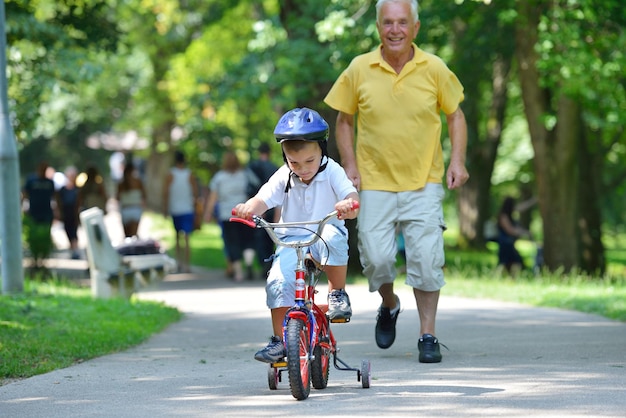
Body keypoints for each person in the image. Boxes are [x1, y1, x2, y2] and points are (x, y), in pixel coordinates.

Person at [324, 0, 469, 363]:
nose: (395, 30)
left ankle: (428, 335)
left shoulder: (434, 68)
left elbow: (455, 116)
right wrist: (350, 164)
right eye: (387, 22)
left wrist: (457, 161)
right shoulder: (359, 68)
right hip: (374, 182)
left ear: (415, 28)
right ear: (377, 27)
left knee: (426, 259)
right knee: (376, 259)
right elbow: (344, 120)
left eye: (402, 22)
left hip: (424, 181)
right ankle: (389, 303)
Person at [232, 107, 360, 363]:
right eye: (294, 163)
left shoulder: (332, 170)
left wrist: (348, 205)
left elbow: (351, 195)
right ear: (285, 157)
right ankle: (280, 340)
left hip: (325, 230)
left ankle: (337, 293)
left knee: (335, 238)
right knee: (278, 281)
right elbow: (263, 198)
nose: (302, 169)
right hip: (291, 238)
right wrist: (249, 208)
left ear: (322, 150)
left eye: (309, 161)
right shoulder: (284, 175)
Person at [204, 151, 255, 282]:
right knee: (247, 240)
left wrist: (208, 213)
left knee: (233, 243)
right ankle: (249, 263)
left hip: (227, 215)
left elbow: (213, 197)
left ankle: (239, 273)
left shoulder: (219, 177)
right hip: (244, 212)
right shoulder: (245, 174)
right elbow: (254, 189)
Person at [247, 142, 280, 278]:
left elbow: (250, 187)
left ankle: (260, 263)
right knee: (269, 237)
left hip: (257, 206)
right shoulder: (275, 169)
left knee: (257, 238)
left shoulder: (252, 167)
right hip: (272, 207)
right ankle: (268, 263)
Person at [163, 150, 199, 274]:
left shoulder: (170, 174)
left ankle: (179, 263)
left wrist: (165, 209)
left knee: (177, 237)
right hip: (187, 208)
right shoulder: (189, 174)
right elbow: (195, 193)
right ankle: (187, 265)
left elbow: (166, 193)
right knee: (187, 238)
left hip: (175, 209)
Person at [22, 161, 56, 268]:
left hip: (46, 212)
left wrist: (58, 210)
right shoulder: (31, 180)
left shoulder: (50, 182)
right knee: (33, 234)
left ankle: (44, 257)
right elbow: (25, 193)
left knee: (45, 234)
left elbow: (55, 197)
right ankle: (35, 258)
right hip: (33, 211)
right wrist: (23, 206)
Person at [496, 196, 532, 275]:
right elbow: (510, 230)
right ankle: (501, 277)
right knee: (507, 262)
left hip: (509, 243)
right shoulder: (504, 216)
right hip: (505, 243)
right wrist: (524, 232)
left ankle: (510, 278)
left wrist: (532, 201)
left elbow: (521, 207)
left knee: (510, 262)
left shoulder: (508, 214)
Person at [56, 166, 81, 259]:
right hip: (66, 213)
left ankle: (75, 251)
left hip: (74, 214)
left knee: (74, 232)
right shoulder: (62, 189)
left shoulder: (77, 189)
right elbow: (58, 201)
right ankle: (73, 250)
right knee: (68, 231)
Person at [117, 162, 147, 238]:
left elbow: (117, 198)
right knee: (133, 237)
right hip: (135, 209)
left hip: (125, 210)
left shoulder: (121, 183)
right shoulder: (138, 181)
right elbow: (144, 195)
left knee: (127, 237)